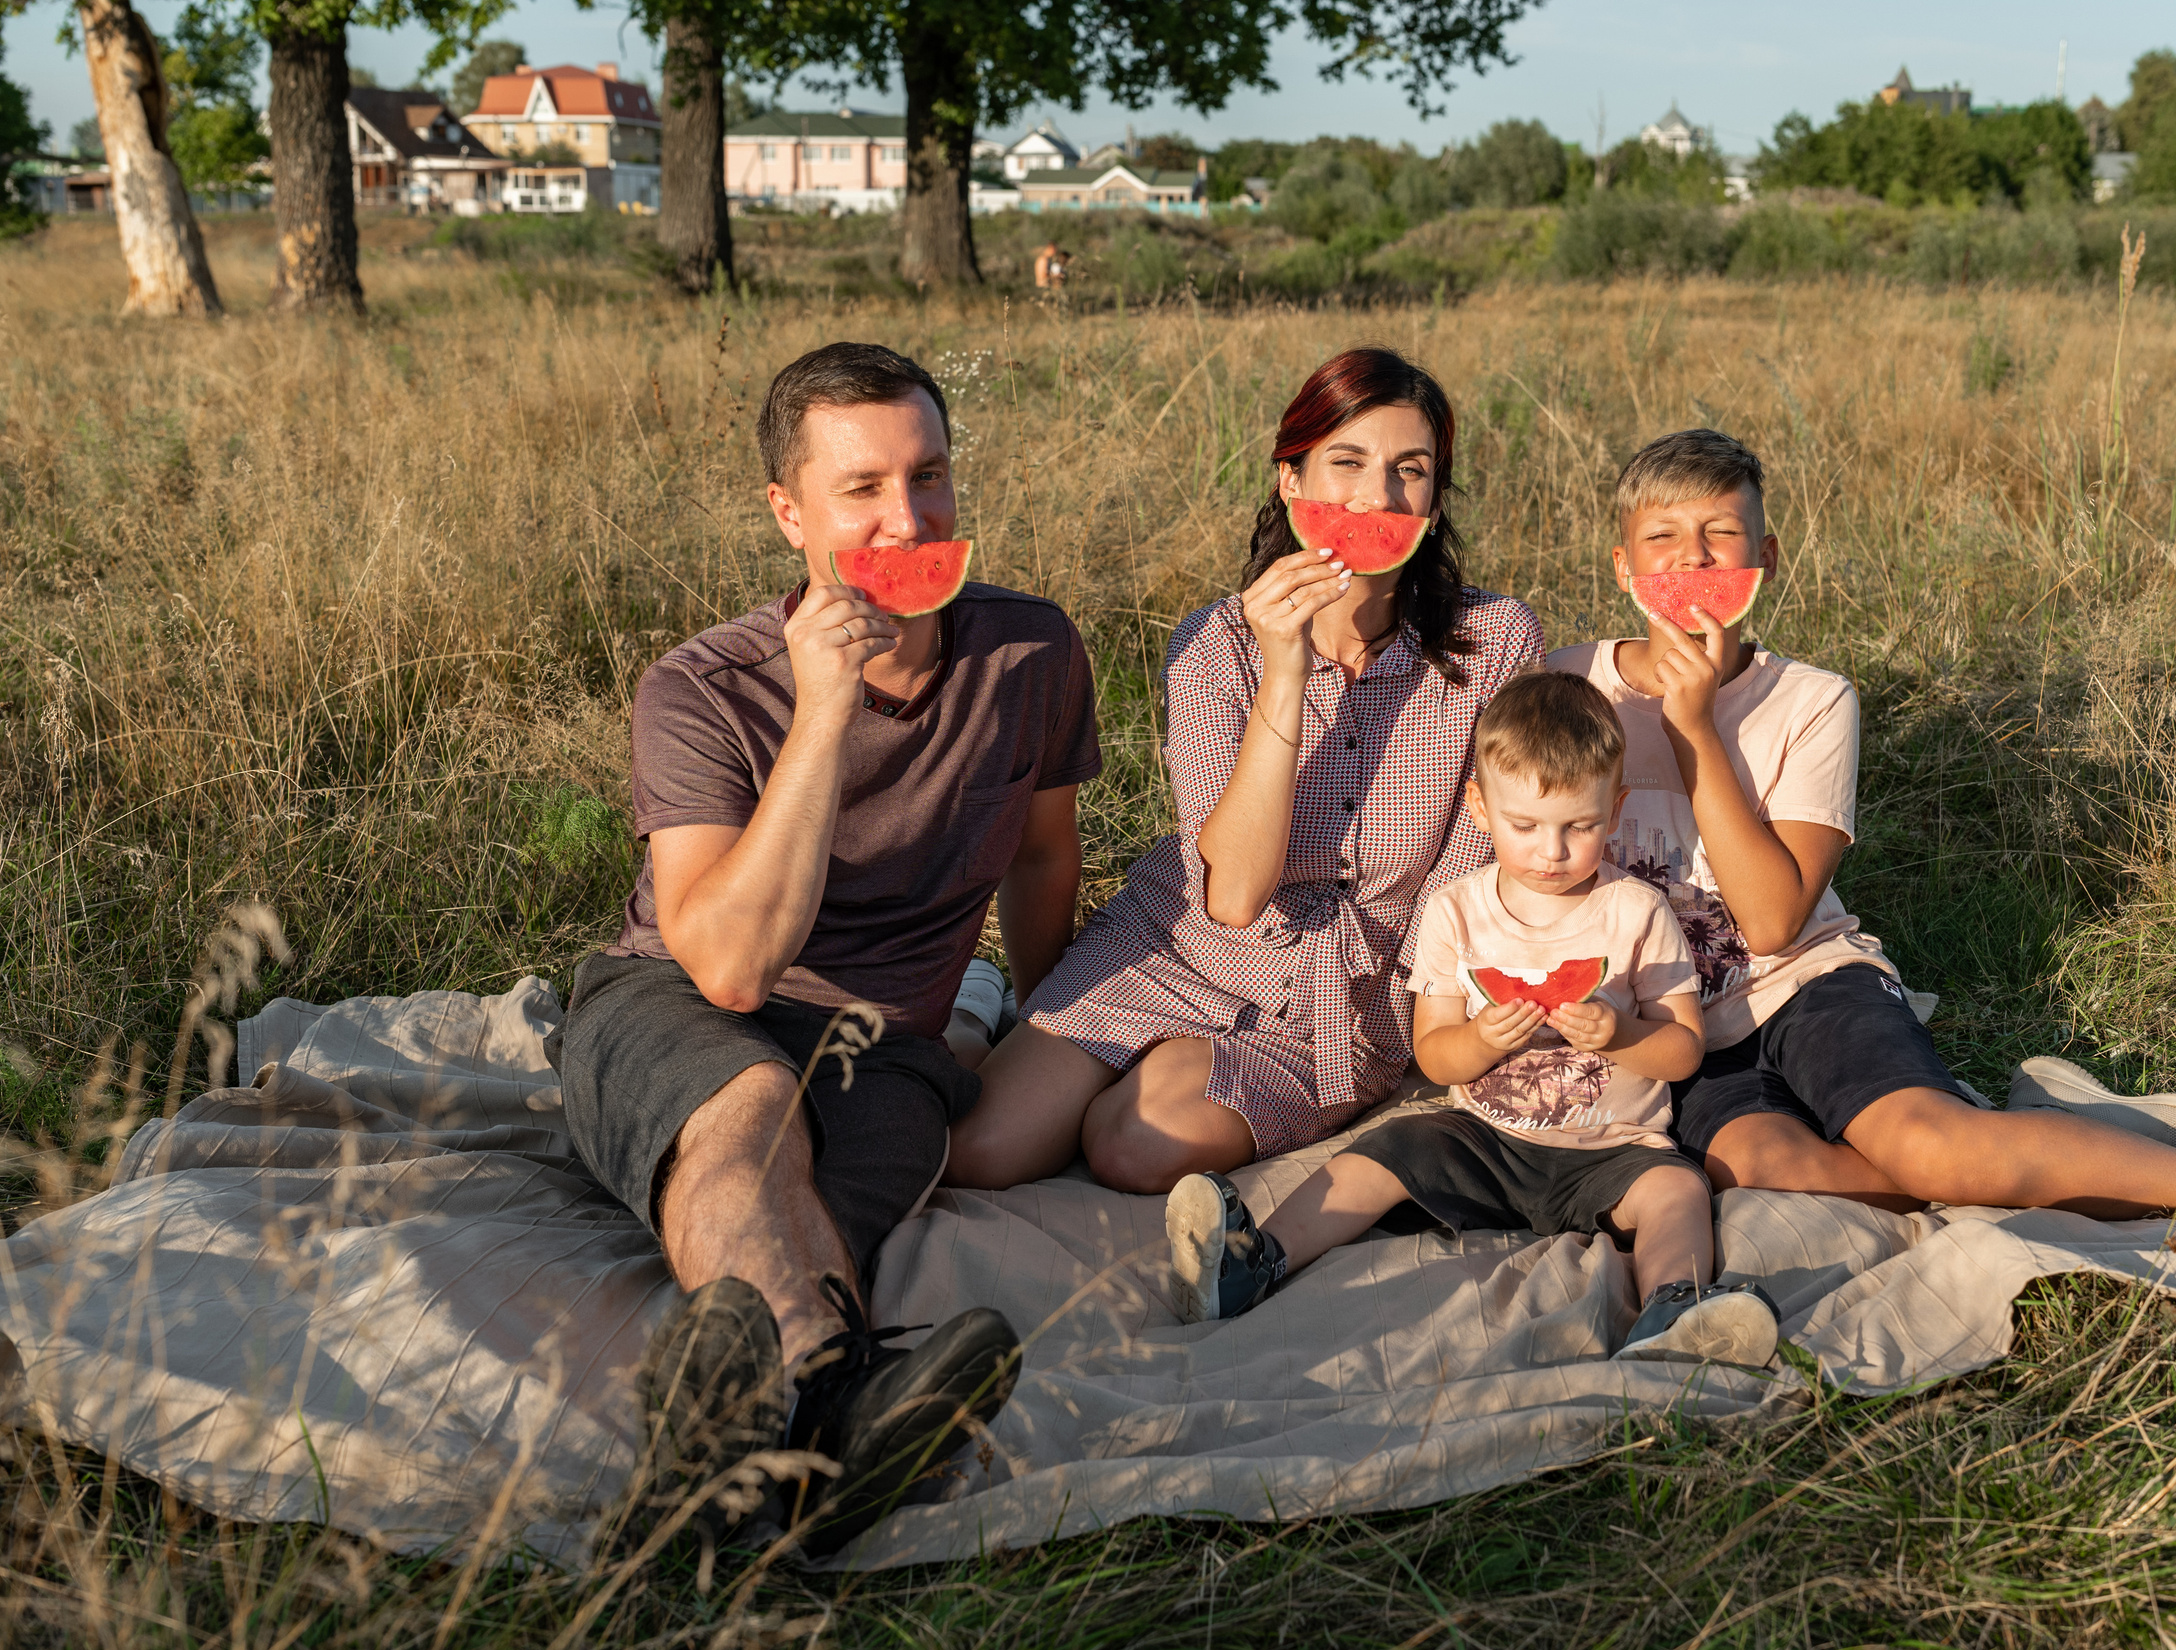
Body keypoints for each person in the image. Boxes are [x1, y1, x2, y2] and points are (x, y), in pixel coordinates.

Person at [1547, 428, 2176, 1250]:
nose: (1693, 559)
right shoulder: (1565, 683)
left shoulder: (1814, 699)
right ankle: (2016, 1163)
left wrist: (1696, 729)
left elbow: (1775, 921)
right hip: (1676, 1019)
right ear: (1623, 565)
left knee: (1928, 1148)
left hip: (1809, 984)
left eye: (1721, 533)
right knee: (1763, 1172)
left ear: (1767, 559)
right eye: (1663, 538)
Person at [552, 342, 1102, 1562]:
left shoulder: (1033, 651)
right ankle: (844, 1411)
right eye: (861, 489)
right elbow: (731, 969)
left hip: (892, 1052)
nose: (906, 516)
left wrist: (1040, 1021)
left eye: (930, 475)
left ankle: (747, 1466)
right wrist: (822, 714)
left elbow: (1044, 857)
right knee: (753, 1105)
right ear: (787, 512)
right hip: (673, 1000)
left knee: (809, 1206)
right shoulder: (700, 689)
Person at [947, 347, 1546, 1194]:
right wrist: (1287, 668)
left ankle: (1119, 1070)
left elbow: (1461, 878)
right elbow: (1230, 897)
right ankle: (982, 1002)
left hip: (1350, 994)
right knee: (979, 1152)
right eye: (1347, 463)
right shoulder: (1213, 648)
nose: (1378, 498)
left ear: (1437, 500)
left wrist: (1418, 1025)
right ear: (1291, 483)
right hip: (1177, 944)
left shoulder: (1496, 643)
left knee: (1132, 1145)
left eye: (1409, 471)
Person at [1164, 672, 1782, 1365]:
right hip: (1485, 1137)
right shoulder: (1455, 908)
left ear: (1615, 810)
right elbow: (1434, 1055)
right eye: (1525, 826)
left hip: (1613, 1151)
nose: (1552, 851)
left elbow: (1682, 1050)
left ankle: (1673, 1310)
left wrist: (1624, 1035)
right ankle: (1256, 1261)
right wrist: (1479, 1040)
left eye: (1579, 826)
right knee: (1381, 1153)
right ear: (1481, 808)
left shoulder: (1637, 910)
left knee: (1678, 1188)